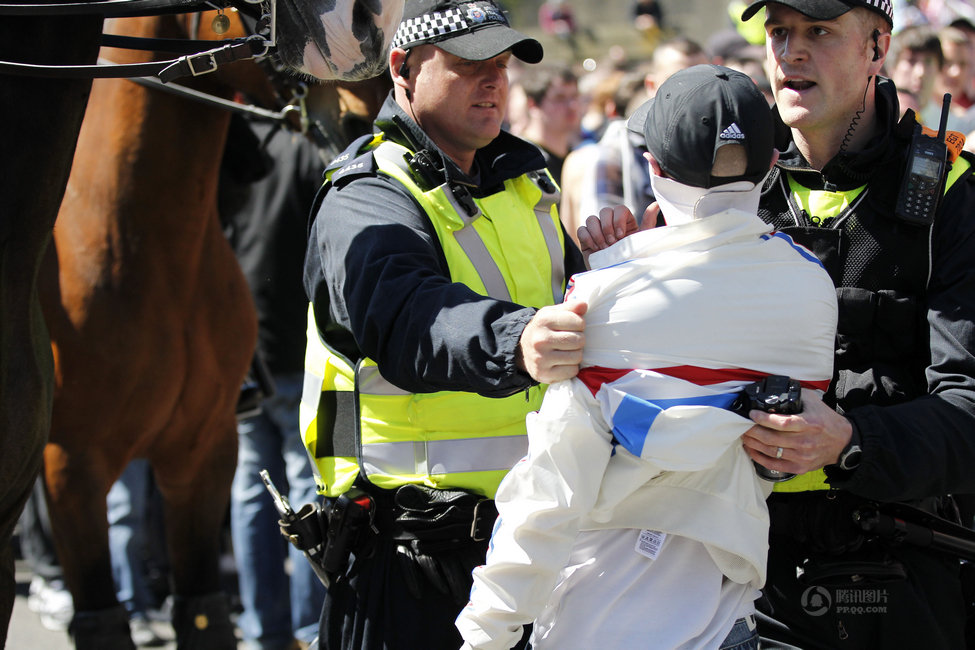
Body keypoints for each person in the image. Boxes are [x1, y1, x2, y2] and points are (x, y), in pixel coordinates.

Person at [582, 0, 975, 646]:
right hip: (733, 581)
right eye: (779, 32)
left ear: (877, 48)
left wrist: (848, 441)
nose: (790, 52)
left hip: (902, 581)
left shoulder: (950, 193)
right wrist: (618, 273)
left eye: (817, 32)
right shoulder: (725, 179)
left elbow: (965, 413)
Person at [456, 64, 838, 650]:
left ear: (654, 168)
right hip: (722, 616)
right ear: (769, 167)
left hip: (595, 617)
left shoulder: (604, 294)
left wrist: (488, 632)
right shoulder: (813, 290)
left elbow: (550, 493)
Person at [299, 0, 587, 647]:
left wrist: (619, 264)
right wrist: (518, 340)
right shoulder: (366, 195)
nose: (492, 80)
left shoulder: (525, 181)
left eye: (501, 64)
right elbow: (406, 320)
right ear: (402, 68)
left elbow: (573, 306)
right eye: (465, 65)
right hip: (406, 568)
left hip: (529, 552)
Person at [222, 117, 330, 650]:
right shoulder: (309, 151)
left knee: (252, 492)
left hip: (246, 346)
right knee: (300, 489)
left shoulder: (238, 145)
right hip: (292, 348)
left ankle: (265, 629)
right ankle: (307, 628)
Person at [509, 63, 582, 186]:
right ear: (533, 104)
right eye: (560, 98)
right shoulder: (521, 162)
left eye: (574, 96)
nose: (572, 106)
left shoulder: (577, 159)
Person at [886, 24, 943, 117]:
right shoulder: (868, 117)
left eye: (928, 62)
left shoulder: (952, 127)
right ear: (892, 67)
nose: (920, 72)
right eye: (911, 60)